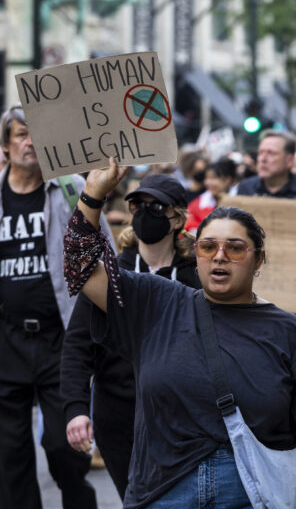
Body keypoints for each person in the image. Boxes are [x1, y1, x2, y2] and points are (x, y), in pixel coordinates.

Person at [62, 158, 296, 508]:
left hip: (251, 493)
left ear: (258, 259)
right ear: (197, 253)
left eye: (235, 248)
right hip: (163, 492)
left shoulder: (292, 335)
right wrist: (93, 194)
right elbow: (78, 266)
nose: (219, 257)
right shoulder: (155, 302)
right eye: (208, 247)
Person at [60, 174, 201, 499]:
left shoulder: (197, 275)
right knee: (135, 498)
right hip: (119, 415)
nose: (145, 212)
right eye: (138, 205)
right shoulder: (107, 274)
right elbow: (78, 345)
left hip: (181, 414)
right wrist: (76, 407)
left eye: (157, 206)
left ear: (177, 217)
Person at [0, 104, 113, 508]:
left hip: (60, 338)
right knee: (8, 456)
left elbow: (104, 251)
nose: (29, 142)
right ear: (7, 144)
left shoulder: (69, 189)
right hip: (8, 339)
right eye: (19, 134)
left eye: (35, 134)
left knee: (63, 446)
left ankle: (79, 500)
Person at [238, 129, 296, 321]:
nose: (262, 159)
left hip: (294, 299)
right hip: (250, 295)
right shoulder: (245, 189)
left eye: (271, 153)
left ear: (290, 160)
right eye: (261, 153)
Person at [185, 158, 237, 233]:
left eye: (213, 178)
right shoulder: (198, 203)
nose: (208, 182)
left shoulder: (239, 200)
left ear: (228, 179)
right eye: (207, 178)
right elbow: (187, 223)